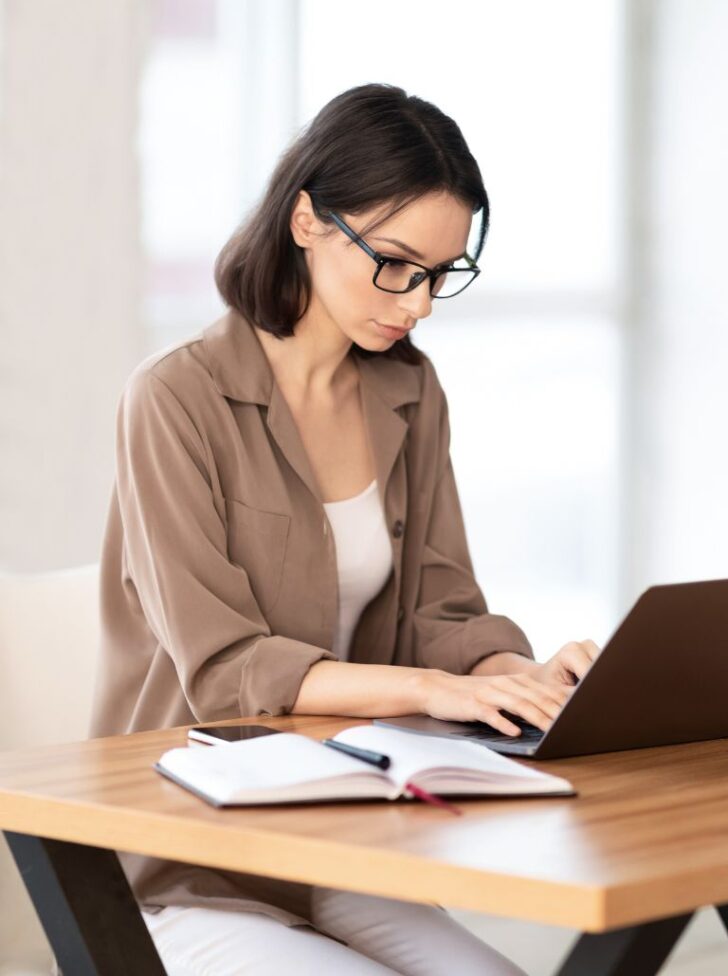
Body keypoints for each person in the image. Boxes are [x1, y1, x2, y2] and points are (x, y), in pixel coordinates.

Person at [88, 82, 601, 975]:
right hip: (189, 852)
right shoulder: (174, 400)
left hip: (343, 835)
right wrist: (428, 693)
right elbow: (223, 670)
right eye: (397, 264)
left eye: (442, 275)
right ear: (306, 222)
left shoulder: (409, 390)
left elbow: (440, 608)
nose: (420, 303)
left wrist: (510, 677)